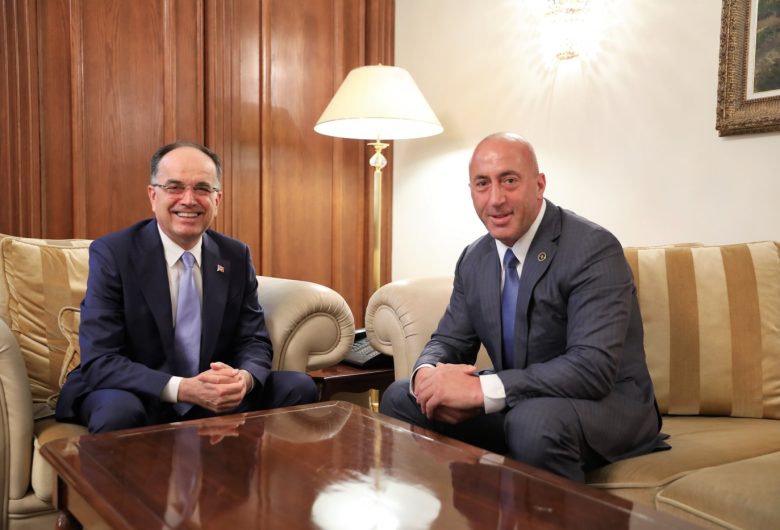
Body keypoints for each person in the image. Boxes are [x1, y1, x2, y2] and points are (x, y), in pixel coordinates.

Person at [380, 133, 668, 481]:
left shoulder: (593, 248)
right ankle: (474, 503)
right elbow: (450, 341)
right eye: (482, 184)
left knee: (531, 423)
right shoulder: (475, 258)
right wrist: (427, 375)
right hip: (521, 400)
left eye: (509, 181)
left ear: (539, 185)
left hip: (605, 404)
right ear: (471, 190)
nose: (495, 199)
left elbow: (591, 369)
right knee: (402, 396)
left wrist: (482, 391)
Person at [56, 141, 318, 432]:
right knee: (118, 412)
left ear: (217, 199)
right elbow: (102, 358)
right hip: (138, 392)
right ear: (153, 195)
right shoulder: (114, 253)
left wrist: (242, 380)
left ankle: (248, 463)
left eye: (203, 189)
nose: (189, 200)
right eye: (175, 187)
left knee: (298, 387)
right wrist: (183, 388)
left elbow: (253, 340)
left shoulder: (234, 256)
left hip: (211, 395)